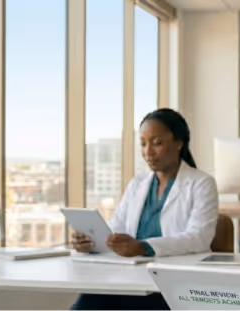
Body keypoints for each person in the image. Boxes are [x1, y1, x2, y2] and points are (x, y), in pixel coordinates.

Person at [69, 108, 219, 311]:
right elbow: (117, 227)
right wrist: (92, 241)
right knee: (89, 301)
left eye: (157, 143)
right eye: (143, 143)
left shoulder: (202, 183)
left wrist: (143, 246)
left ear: (179, 142)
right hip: (131, 279)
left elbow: (198, 238)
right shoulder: (137, 184)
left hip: (174, 285)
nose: (148, 151)